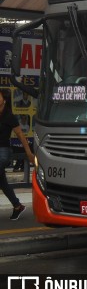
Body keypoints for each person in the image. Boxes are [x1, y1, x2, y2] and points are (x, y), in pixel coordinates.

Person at [0, 89, 35, 220]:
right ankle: (17, 206)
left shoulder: (9, 116)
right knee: (2, 183)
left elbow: (21, 135)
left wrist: (29, 153)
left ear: (4, 99)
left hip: (3, 152)